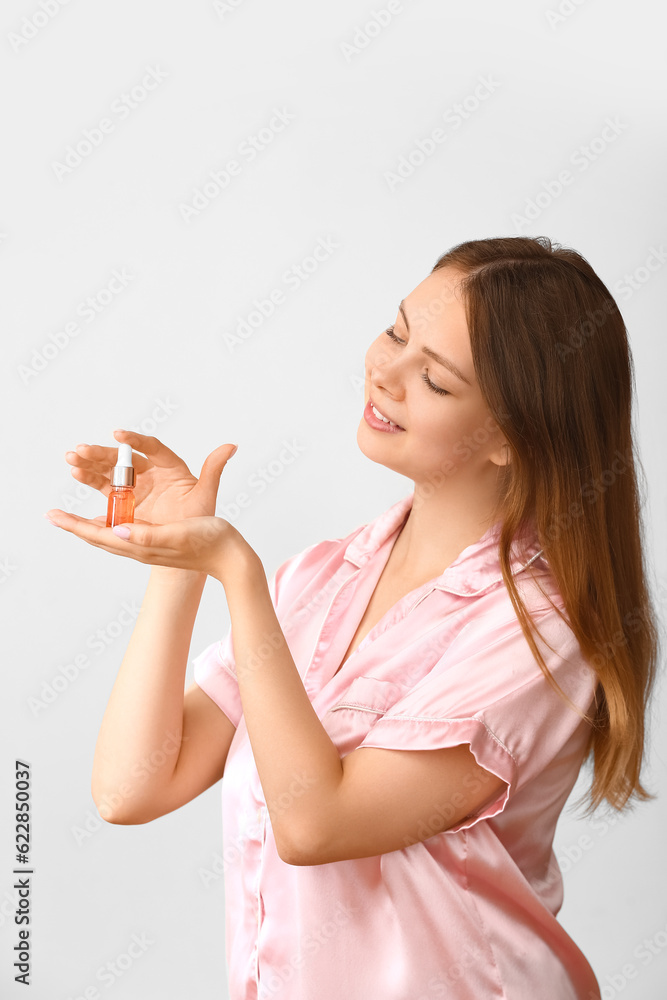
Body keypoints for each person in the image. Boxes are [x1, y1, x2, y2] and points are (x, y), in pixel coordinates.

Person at [45, 235, 659, 1000]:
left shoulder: (535, 635)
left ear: (510, 438)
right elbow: (132, 789)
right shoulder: (323, 579)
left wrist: (235, 574)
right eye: (398, 331)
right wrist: (180, 565)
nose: (384, 372)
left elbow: (317, 827)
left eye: (432, 379)